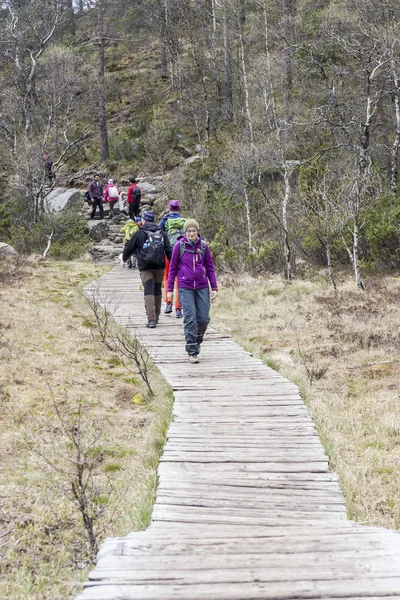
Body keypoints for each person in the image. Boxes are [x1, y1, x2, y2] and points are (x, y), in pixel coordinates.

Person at [167, 219, 218, 363]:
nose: (191, 233)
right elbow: (172, 269)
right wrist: (170, 289)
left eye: (193, 230)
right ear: (185, 232)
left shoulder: (203, 246)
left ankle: (197, 340)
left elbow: (210, 268)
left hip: (202, 287)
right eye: (188, 231)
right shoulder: (179, 246)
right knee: (190, 318)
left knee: (203, 319)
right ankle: (192, 351)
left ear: (197, 231)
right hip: (185, 287)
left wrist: (214, 287)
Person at [123, 211, 172, 328]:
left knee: (148, 290)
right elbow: (169, 250)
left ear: (144, 220)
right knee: (157, 290)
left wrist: (125, 258)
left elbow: (129, 247)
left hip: (145, 266)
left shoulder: (140, 233)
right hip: (160, 265)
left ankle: (151, 319)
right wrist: (176, 265)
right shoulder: (162, 233)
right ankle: (157, 316)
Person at [159, 200, 186, 319]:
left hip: (168, 254)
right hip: (181, 254)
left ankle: (168, 303)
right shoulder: (184, 221)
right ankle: (178, 308)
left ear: (169, 208)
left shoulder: (164, 221)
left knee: (167, 277)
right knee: (179, 279)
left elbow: (160, 236)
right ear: (179, 209)